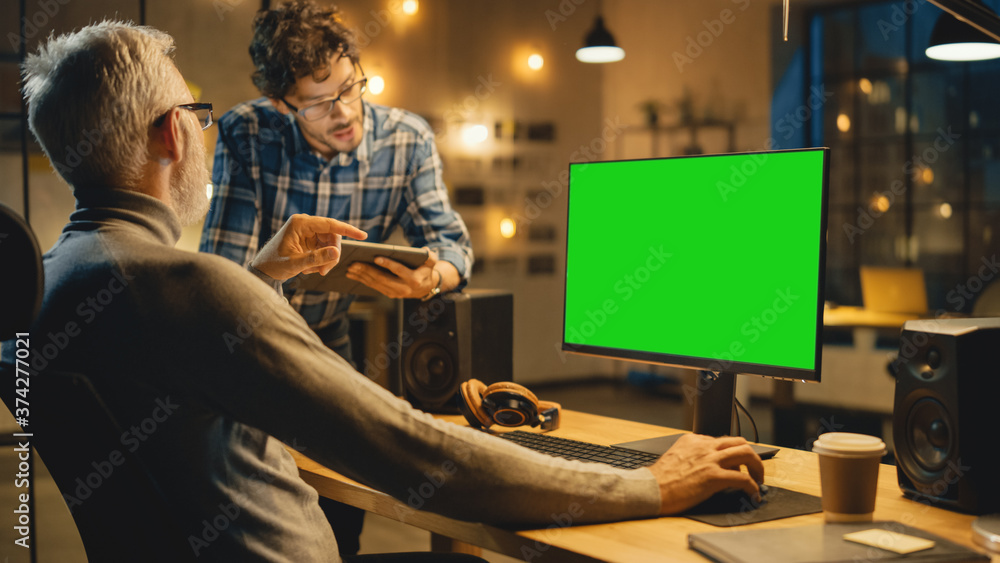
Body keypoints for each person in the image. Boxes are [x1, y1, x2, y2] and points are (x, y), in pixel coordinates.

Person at [8, 20, 765, 563]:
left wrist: (262, 276)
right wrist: (651, 486)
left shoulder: (52, 285)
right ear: (175, 133)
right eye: (196, 117)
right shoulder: (189, 285)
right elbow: (416, 452)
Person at [200, 0, 473, 368]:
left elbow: (452, 244)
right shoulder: (247, 132)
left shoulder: (406, 140)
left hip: (329, 333)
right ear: (281, 104)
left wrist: (432, 280)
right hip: (252, 334)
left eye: (348, 88)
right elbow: (226, 280)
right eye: (318, 104)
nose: (343, 112)